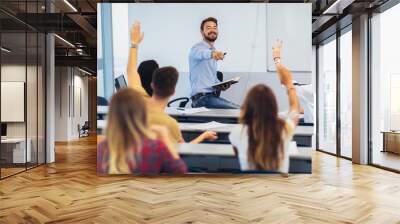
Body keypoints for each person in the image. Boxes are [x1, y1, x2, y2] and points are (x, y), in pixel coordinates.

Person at [127, 21, 218, 144]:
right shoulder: (170, 124)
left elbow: (131, 71)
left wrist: (134, 44)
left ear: (153, 85)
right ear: (173, 92)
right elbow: (183, 149)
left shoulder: (137, 100)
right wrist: (204, 136)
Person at [228, 40, 300, 174]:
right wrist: (289, 83)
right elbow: (295, 109)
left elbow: (236, 153)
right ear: (273, 106)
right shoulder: (285, 128)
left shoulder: (237, 132)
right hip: (280, 191)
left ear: (247, 106)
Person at [97, 88, 187, 175]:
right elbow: (181, 172)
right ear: (143, 113)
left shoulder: (101, 149)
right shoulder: (155, 148)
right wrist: (166, 140)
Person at [188, 17, 239, 109]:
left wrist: (222, 85)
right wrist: (213, 54)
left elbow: (213, 79)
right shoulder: (196, 48)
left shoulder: (213, 51)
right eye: (208, 28)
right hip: (202, 99)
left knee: (239, 112)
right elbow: (203, 54)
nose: (212, 30)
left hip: (211, 97)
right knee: (240, 111)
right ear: (202, 32)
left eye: (214, 27)